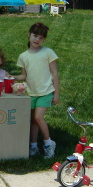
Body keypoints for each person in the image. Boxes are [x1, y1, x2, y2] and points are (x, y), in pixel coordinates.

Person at [12, 22, 59, 159]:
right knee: (33, 120)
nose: (37, 40)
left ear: (43, 40)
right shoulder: (23, 56)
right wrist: (13, 77)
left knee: (39, 117)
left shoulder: (48, 52)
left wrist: (56, 93)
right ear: (29, 35)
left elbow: (55, 73)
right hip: (30, 92)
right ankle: (33, 146)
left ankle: (49, 144)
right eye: (35, 36)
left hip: (45, 91)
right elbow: (24, 76)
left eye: (40, 38)